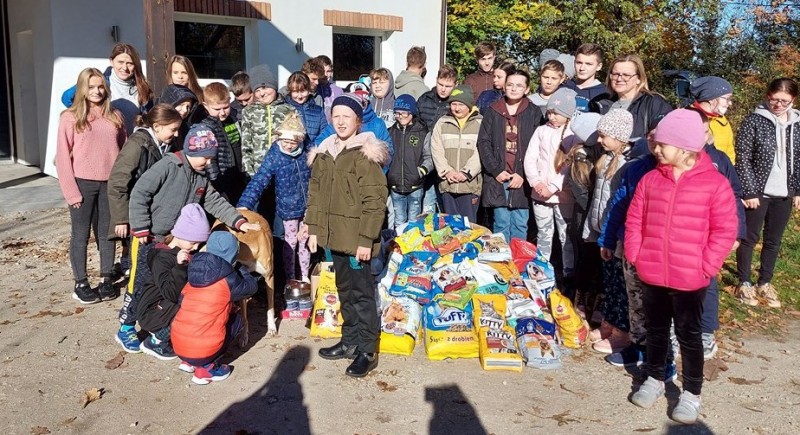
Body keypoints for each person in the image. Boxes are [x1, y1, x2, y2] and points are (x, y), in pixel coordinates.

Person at [626, 109, 738, 424]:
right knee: (656, 330)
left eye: (663, 144)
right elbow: (634, 219)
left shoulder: (714, 184)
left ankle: (691, 392)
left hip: (691, 277)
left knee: (689, 336)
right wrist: (635, 252)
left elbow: (725, 229)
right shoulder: (650, 180)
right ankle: (654, 378)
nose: (656, 149)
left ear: (686, 148)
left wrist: (708, 264)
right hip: (652, 272)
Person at [117, 125, 259, 353]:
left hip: (176, 240)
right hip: (148, 237)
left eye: (211, 159)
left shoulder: (200, 177)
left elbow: (214, 201)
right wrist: (141, 227)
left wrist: (237, 220)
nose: (209, 163)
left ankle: (159, 325)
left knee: (167, 284)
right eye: (206, 158)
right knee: (139, 283)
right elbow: (140, 192)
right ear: (192, 151)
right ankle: (126, 326)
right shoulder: (168, 166)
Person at [304, 95, 390, 377]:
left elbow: (375, 201)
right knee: (344, 291)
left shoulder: (363, 155)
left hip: (357, 241)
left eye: (347, 117)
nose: (341, 121)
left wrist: (367, 239)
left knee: (362, 294)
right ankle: (350, 341)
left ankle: (367, 349)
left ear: (357, 121)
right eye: (336, 116)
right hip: (334, 238)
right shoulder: (324, 153)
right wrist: (314, 230)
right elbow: (315, 195)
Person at [56, 67, 127, 304]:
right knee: (81, 234)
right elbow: (63, 157)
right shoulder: (70, 117)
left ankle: (106, 279)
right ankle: (81, 283)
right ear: (82, 89)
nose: (96, 91)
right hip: (82, 184)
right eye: (91, 87)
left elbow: (123, 151)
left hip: (110, 184)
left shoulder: (115, 115)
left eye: (100, 87)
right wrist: (71, 192)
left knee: (107, 234)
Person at [107, 104, 183, 305]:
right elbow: (118, 181)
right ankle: (129, 317)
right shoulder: (137, 145)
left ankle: (149, 309)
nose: (176, 134)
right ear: (157, 126)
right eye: (173, 129)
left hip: (156, 216)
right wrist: (121, 218)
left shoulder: (166, 146)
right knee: (138, 270)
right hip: (137, 216)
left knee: (153, 266)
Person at [735, 77, 800, 309]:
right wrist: (750, 190)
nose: (778, 105)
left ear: (793, 99)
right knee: (749, 238)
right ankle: (744, 282)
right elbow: (742, 157)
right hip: (758, 191)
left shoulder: (797, 125)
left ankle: (765, 282)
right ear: (767, 96)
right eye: (774, 100)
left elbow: (799, 159)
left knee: (773, 241)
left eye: (784, 101)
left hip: (784, 192)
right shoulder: (753, 121)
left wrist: (797, 190)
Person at [171, 232, 259, 384]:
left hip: (178, 345)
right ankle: (206, 368)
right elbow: (252, 287)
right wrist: (240, 267)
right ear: (233, 254)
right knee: (237, 320)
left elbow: (181, 301)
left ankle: (189, 362)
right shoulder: (229, 279)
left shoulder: (193, 270)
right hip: (202, 351)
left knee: (199, 314)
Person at [238, 112, 312, 286]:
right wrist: (244, 204)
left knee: (305, 241)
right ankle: (290, 277)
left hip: (309, 205)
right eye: (285, 141)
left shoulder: (307, 151)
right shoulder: (275, 155)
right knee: (291, 241)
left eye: (292, 143)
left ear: (300, 141)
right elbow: (260, 179)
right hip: (288, 208)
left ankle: (306, 275)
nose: (288, 146)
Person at [585, 109, 635, 354]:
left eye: (604, 135)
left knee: (620, 287)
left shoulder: (627, 165)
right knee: (609, 284)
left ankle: (621, 332)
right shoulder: (604, 159)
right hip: (603, 232)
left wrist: (614, 234)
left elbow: (619, 204)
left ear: (619, 136)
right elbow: (598, 198)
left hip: (617, 236)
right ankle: (608, 323)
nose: (599, 140)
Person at [136, 204, 210, 360]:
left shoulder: (183, 253)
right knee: (190, 304)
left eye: (199, 243)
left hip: (163, 308)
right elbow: (171, 293)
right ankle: (157, 340)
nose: (196, 247)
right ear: (181, 235)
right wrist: (179, 267)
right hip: (152, 313)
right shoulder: (163, 259)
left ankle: (173, 336)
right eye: (193, 242)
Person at [477, 69, 541, 241]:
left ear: (527, 89)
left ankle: (518, 262)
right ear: (504, 86)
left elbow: (537, 146)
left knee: (520, 222)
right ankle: (503, 262)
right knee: (501, 222)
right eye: (510, 84)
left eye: (519, 85)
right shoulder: (493, 111)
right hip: (500, 175)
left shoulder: (534, 112)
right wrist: (496, 170)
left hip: (522, 176)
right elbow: (483, 142)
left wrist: (522, 173)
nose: (513, 88)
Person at [524, 87, 576, 273]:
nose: (552, 117)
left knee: (565, 235)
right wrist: (536, 183)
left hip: (563, 196)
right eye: (550, 112)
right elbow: (530, 158)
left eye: (557, 113)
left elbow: (570, 165)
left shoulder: (572, 134)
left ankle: (568, 271)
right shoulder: (541, 131)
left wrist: (553, 187)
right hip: (540, 194)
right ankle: (543, 268)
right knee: (544, 233)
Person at [61, 43, 154, 135]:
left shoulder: (142, 88)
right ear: (111, 61)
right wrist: (87, 115)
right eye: (120, 62)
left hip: (131, 145)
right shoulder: (101, 82)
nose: (125, 68)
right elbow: (67, 98)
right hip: (105, 142)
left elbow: (149, 120)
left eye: (130, 63)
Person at [431, 85, 483, 222]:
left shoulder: (480, 123)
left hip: (470, 185)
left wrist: (466, 173)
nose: (457, 108)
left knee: (469, 225)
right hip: (448, 184)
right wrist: (446, 171)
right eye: (454, 104)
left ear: (469, 105)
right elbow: (436, 148)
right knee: (450, 225)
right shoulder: (442, 122)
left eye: (461, 104)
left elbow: (482, 151)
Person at [593, 54, 673, 139]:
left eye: (626, 75)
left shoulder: (654, 104)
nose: (619, 79)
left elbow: (664, 139)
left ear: (639, 78)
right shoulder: (601, 104)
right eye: (616, 74)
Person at [240, 64, 296, 177]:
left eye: (265, 87)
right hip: (258, 171)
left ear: (274, 87)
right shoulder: (249, 111)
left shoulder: (288, 109)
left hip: (282, 169)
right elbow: (246, 143)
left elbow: (295, 139)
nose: (262, 93)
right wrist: (249, 171)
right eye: (257, 90)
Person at [387, 94, 432, 226]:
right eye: (397, 113)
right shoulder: (390, 132)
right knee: (399, 221)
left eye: (404, 113)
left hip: (415, 185)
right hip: (395, 186)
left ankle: (412, 246)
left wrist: (421, 171)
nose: (401, 117)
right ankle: (398, 246)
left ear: (412, 112)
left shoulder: (423, 132)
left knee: (414, 222)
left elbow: (429, 157)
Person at [200, 82, 247, 203]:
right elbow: (209, 161)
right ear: (206, 106)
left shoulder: (234, 118)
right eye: (217, 109)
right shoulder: (207, 127)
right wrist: (218, 186)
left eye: (226, 107)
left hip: (239, 177)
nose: (222, 112)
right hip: (221, 180)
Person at [690, 76, 735, 163]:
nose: (730, 103)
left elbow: (730, 154)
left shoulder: (723, 121)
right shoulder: (688, 119)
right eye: (727, 98)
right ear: (711, 98)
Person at [563, 43, 611, 113]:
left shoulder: (604, 93)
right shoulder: (565, 86)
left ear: (599, 66)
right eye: (579, 63)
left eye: (588, 64)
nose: (582, 68)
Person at [285, 71, 326, 145]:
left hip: (313, 152)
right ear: (290, 91)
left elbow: (324, 133)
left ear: (309, 89)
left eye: (303, 91)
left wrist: (314, 147)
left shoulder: (318, 111)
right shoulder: (284, 109)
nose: (300, 96)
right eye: (295, 92)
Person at [315, 55, 344, 123]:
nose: (325, 75)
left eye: (328, 71)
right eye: (322, 71)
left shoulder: (338, 90)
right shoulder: (314, 89)